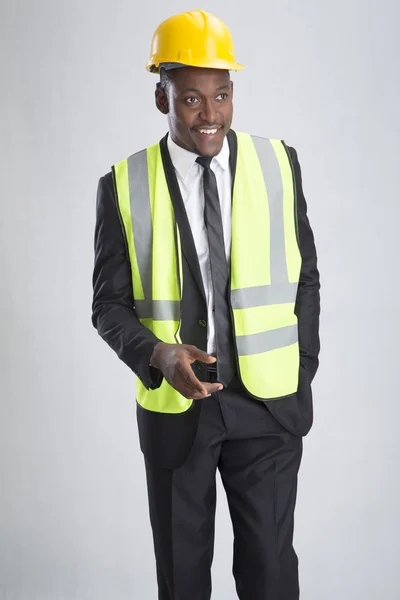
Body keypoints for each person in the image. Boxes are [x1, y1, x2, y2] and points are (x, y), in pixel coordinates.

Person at [91, 9, 320, 600]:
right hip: (176, 409)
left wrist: (299, 372)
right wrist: (160, 355)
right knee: (184, 581)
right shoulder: (122, 184)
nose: (209, 114)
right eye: (190, 98)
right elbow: (108, 306)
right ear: (161, 96)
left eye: (221, 95)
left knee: (271, 575)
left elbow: (307, 281)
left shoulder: (278, 165)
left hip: (266, 406)